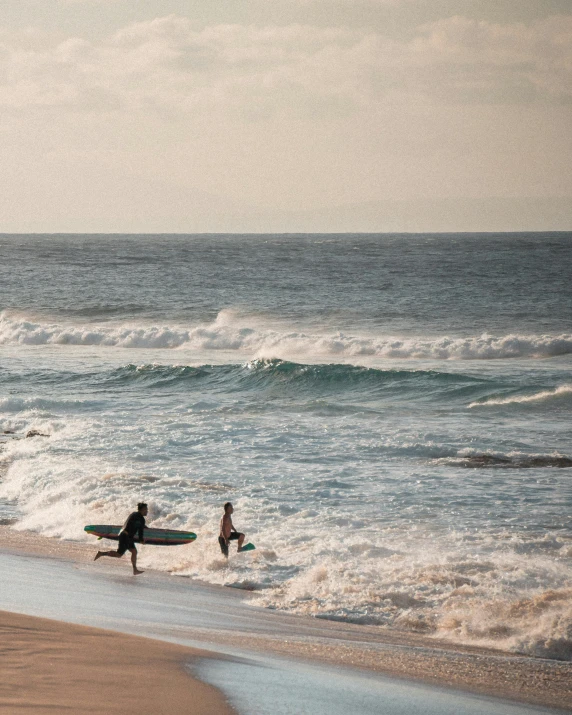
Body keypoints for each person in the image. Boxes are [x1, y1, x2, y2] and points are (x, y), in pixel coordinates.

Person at [94, 502, 148, 575]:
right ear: (142, 510)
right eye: (146, 509)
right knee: (119, 554)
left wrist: (144, 527)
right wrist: (141, 540)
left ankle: (135, 570)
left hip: (124, 535)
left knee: (132, 552)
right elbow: (140, 530)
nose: (147, 511)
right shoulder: (140, 519)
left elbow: (134, 525)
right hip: (126, 537)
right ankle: (101, 553)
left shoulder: (134, 515)